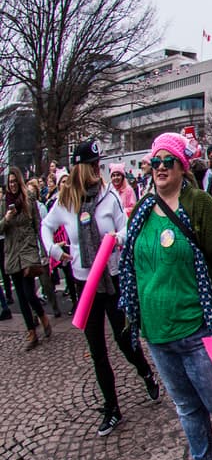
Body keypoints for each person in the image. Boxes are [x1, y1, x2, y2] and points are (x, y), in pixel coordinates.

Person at [117, 133, 212, 460]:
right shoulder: (142, 209)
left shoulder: (199, 204)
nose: (160, 168)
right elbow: (132, 263)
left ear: (182, 166)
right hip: (157, 332)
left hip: (197, 327)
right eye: (155, 162)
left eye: (168, 161)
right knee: (187, 406)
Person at [41, 141, 158, 435]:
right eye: (92, 165)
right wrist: (54, 250)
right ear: (81, 168)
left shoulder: (109, 197)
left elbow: (126, 226)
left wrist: (118, 238)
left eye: (97, 164)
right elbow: (46, 226)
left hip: (111, 279)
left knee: (124, 340)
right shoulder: (66, 201)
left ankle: (145, 372)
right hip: (85, 283)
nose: (96, 170)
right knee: (97, 350)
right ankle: (111, 408)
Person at [2, 166, 52, 350]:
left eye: (15, 181)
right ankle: (31, 332)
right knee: (21, 296)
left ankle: (42, 316)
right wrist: (7, 219)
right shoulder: (4, 202)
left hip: (28, 250)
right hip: (12, 252)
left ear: (20, 182)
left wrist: (43, 250)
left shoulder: (29, 198)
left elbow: (38, 225)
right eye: (10, 182)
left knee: (29, 292)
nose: (13, 185)